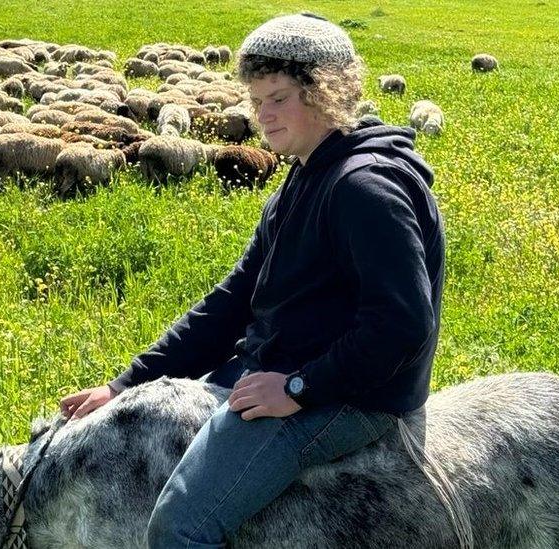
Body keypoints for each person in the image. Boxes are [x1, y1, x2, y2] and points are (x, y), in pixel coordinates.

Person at [60, 12, 445, 548]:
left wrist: (298, 388)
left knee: (178, 528)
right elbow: (236, 299)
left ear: (325, 91)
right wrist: (126, 385)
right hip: (282, 367)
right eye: (256, 99)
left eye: (279, 97)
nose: (262, 114)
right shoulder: (306, 175)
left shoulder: (364, 189)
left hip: (355, 396)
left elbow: (402, 325)